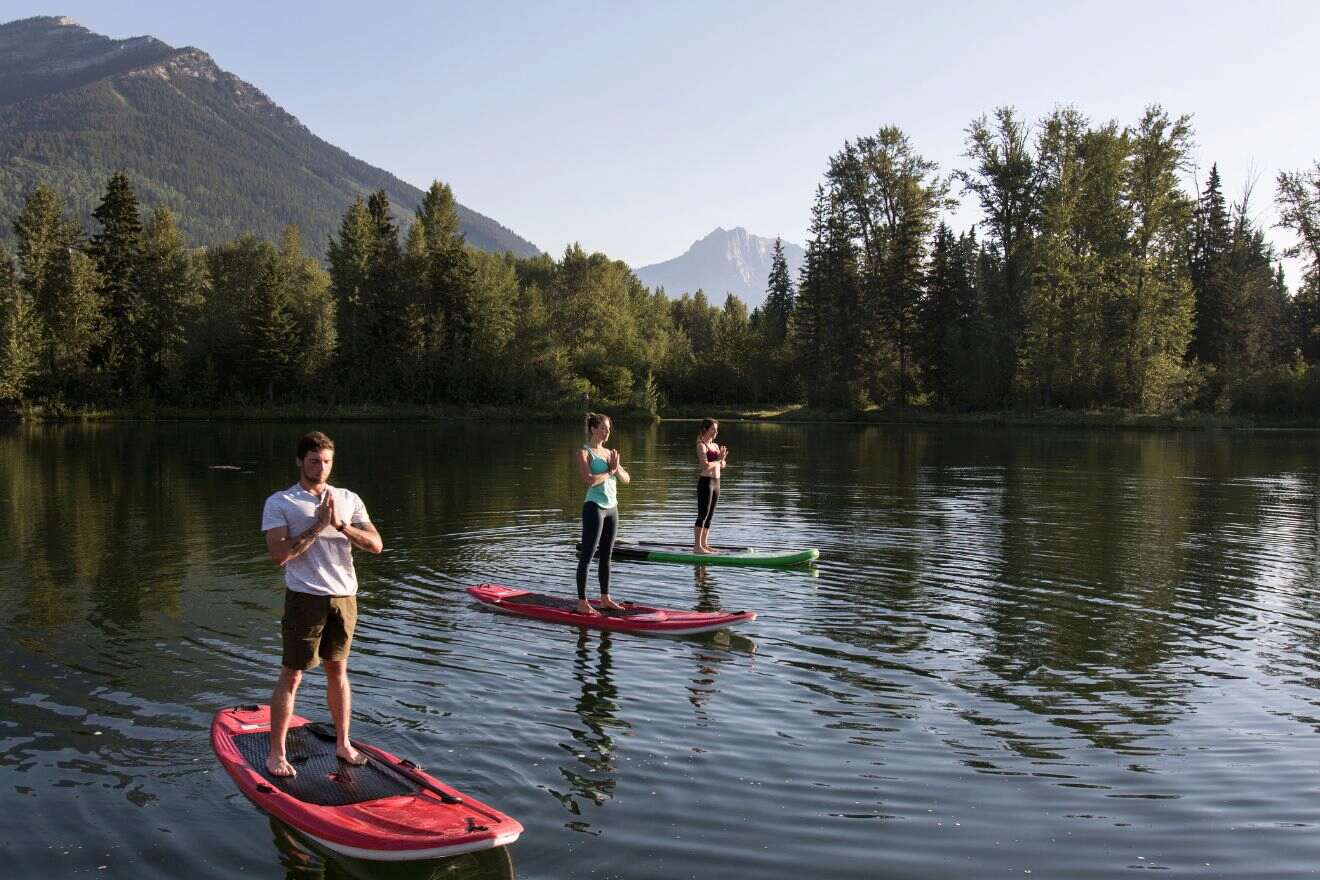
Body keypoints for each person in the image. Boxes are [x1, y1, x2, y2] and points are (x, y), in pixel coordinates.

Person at [260, 431, 383, 778]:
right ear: (300, 461)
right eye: (314, 461)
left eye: (327, 461)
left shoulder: (348, 498)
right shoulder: (281, 501)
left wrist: (341, 526)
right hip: (305, 598)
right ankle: (276, 754)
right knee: (293, 674)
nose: (321, 467)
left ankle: (343, 744)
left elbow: (375, 545)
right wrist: (318, 526)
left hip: (344, 597)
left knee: (338, 671)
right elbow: (279, 556)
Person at [576, 412, 631, 615]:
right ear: (593, 429)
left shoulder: (610, 453)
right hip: (594, 507)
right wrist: (609, 472)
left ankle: (605, 598)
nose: (607, 432)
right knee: (588, 555)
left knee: (607, 555)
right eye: (604, 428)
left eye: (609, 429)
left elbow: (627, 479)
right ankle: (582, 602)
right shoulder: (585, 452)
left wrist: (616, 470)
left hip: (612, 508)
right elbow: (589, 479)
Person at [694, 418, 728, 553]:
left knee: (710, 515)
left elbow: (722, 465)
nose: (715, 432)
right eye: (713, 429)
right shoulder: (701, 445)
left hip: (716, 482)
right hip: (706, 482)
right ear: (705, 430)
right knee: (703, 514)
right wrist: (719, 460)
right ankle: (697, 547)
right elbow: (705, 466)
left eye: (716, 429)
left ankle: (704, 544)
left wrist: (722, 459)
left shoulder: (715, 445)